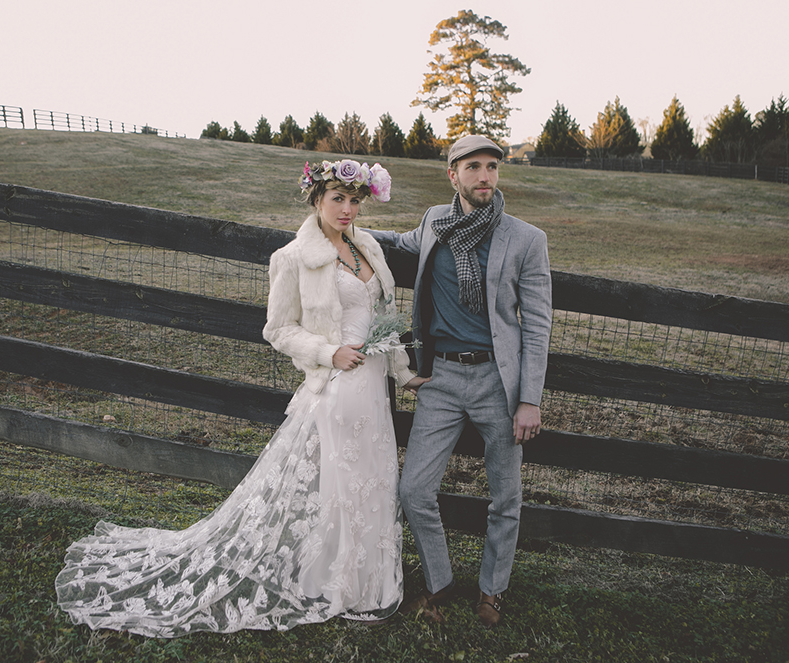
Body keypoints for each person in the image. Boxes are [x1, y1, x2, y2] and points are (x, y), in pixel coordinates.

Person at [56, 159, 420, 636]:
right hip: (336, 387)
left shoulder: (367, 245)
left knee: (373, 481)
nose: (348, 209)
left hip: (374, 388)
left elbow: (384, 316)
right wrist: (328, 352)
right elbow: (277, 328)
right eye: (338, 199)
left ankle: (368, 581)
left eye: (355, 200)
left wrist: (405, 374)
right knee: (342, 486)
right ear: (316, 199)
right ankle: (337, 582)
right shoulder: (292, 257)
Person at [369, 135, 552, 628]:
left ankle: (493, 591)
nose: (485, 176)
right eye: (473, 167)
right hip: (441, 378)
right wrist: (342, 229)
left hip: (499, 382)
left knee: (505, 495)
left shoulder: (526, 239)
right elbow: (397, 244)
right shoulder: (435, 221)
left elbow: (537, 325)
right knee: (414, 490)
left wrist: (529, 399)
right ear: (453, 175)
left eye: (492, 166)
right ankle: (440, 582)